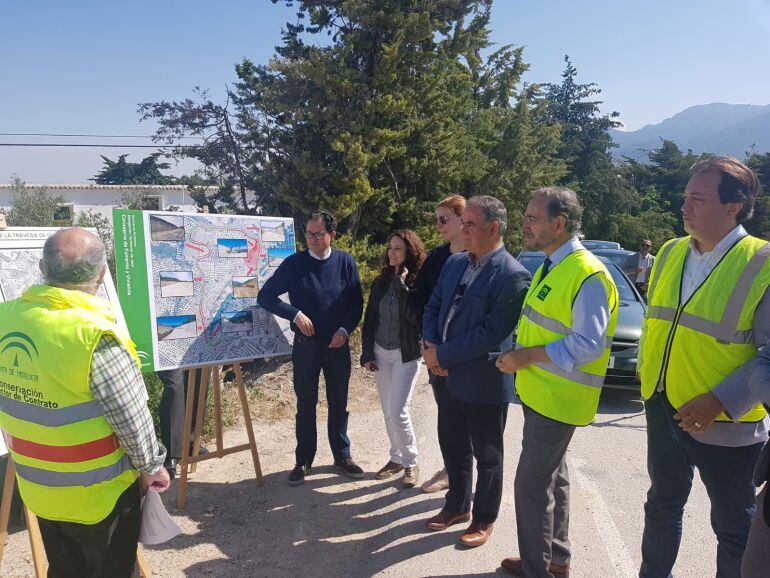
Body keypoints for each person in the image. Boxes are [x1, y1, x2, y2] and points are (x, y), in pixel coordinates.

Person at [0, 228, 169, 578]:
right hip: (98, 495)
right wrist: (152, 467)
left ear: (42, 269)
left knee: (65, 570)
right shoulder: (93, 334)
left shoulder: (6, 318)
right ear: (102, 274)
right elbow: (131, 416)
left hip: (38, 487)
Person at [636, 156, 769, 577]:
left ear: (734, 206)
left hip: (726, 421)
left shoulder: (762, 262)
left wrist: (719, 400)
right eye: (685, 197)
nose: (684, 207)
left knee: (734, 527)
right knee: (662, 503)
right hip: (662, 403)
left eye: (697, 198)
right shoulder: (672, 251)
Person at [495, 187, 618, 578]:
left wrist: (525, 357)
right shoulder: (554, 264)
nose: (526, 224)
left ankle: (538, 570)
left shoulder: (587, 273)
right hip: (542, 395)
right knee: (554, 480)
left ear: (559, 223)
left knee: (531, 488)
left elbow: (588, 344)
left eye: (533, 218)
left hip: (559, 399)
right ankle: (554, 560)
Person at [421, 195, 531, 548]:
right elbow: (433, 306)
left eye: (470, 224)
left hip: (483, 380)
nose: (462, 230)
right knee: (452, 445)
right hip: (446, 374)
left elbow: (491, 333)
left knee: (488, 454)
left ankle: (484, 518)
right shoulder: (454, 264)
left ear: (493, 228)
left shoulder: (513, 276)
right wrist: (430, 347)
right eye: (463, 222)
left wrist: (442, 354)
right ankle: (456, 505)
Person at [257, 210, 365, 486]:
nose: (313, 239)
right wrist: (294, 314)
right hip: (306, 347)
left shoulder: (345, 262)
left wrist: (344, 330)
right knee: (306, 405)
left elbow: (356, 304)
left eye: (319, 234)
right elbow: (265, 296)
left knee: (339, 403)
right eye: (309, 234)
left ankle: (342, 456)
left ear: (332, 235)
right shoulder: (294, 264)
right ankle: (304, 460)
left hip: (337, 346)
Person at [410, 194, 467, 494]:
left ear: (463, 219)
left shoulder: (479, 256)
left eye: (444, 219)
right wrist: (427, 343)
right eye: (436, 219)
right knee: (446, 416)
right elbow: (423, 303)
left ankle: (466, 480)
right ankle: (450, 470)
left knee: (469, 420)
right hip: (434, 352)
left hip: (464, 355)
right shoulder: (437, 258)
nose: (438, 225)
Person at [361, 230, 426, 488]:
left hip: (406, 355)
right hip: (380, 352)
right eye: (390, 248)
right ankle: (396, 457)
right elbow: (370, 321)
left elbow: (414, 317)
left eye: (398, 248)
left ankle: (411, 462)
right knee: (388, 412)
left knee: (399, 410)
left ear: (410, 251)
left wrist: (403, 287)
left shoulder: (417, 282)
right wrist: (367, 353)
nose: (392, 252)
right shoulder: (380, 282)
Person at [157, 368, 206, 479]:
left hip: (192, 349)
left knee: (200, 378)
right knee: (174, 384)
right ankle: (171, 453)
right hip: (164, 350)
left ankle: (190, 442)